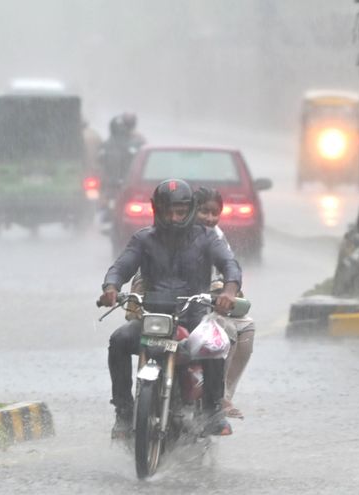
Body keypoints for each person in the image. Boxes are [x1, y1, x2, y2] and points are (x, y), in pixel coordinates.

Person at [98, 178, 242, 439]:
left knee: (213, 342)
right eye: (167, 211)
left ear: (189, 210)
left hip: (193, 317)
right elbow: (121, 266)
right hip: (154, 318)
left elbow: (230, 264)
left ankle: (211, 411)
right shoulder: (143, 239)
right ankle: (123, 411)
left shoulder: (208, 238)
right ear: (157, 210)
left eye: (180, 211)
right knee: (118, 341)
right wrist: (111, 287)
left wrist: (229, 292)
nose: (174, 218)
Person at [193, 187, 256, 420]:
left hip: (208, 301)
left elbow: (229, 265)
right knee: (225, 330)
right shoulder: (173, 233)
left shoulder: (216, 236)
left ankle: (222, 394)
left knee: (245, 328)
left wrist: (230, 290)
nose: (209, 218)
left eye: (214, 213)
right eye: (203, 212)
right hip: (179, 303)